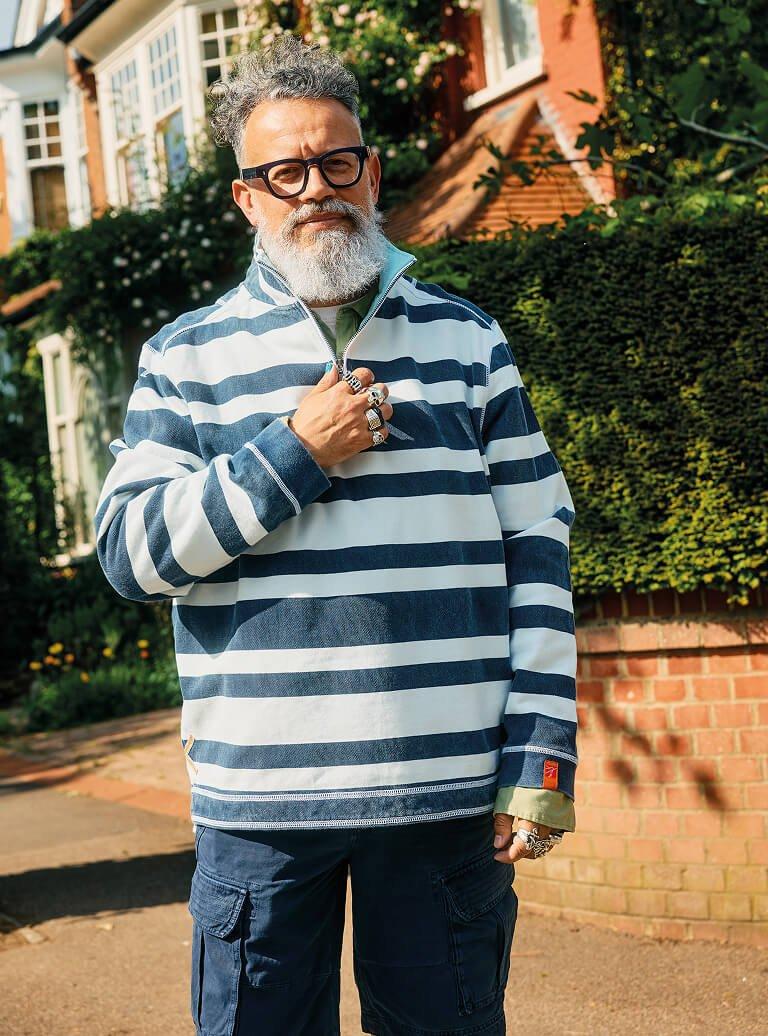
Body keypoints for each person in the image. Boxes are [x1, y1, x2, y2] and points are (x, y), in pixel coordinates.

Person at [93, 33, 578, 1036]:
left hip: (439, 801)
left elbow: (539, 538)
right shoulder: (186, 358)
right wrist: (293, 454)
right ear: (246, 198)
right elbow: (131, 554)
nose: (315, 187)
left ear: (372, 171)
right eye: (283, 170)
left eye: (336, 161)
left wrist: (538, 756)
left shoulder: (465, 336)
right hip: (261, 809)